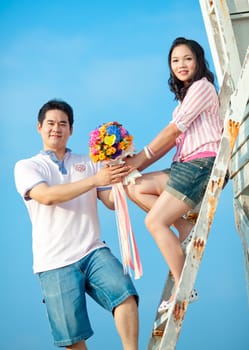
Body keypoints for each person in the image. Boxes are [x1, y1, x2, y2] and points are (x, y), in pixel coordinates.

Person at [14, 99, 139, 350]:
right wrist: (94, 180)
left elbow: (111, 202)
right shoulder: (27, 166)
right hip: (53, 263)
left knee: (124, 294)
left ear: (71, 129)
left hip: (92, 250)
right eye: (50, 123)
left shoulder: (91, 162)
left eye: (63, 124)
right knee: (73, 338)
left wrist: (122, 172)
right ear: (39, 127)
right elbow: (47, 196)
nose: (56, 129)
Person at [125, 37, 224, 313]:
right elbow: (169, 142)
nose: (181, 64)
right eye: (175, 60)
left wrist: (140, 157)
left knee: (154, 222)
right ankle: (183, 227)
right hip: (182, 166)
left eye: (187, 58)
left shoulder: (202, 88)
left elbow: (172, 132)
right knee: (134, 186)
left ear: (198, 61)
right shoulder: (184, 99)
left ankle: (184, 288)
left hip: (200, 165)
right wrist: (133, 168)